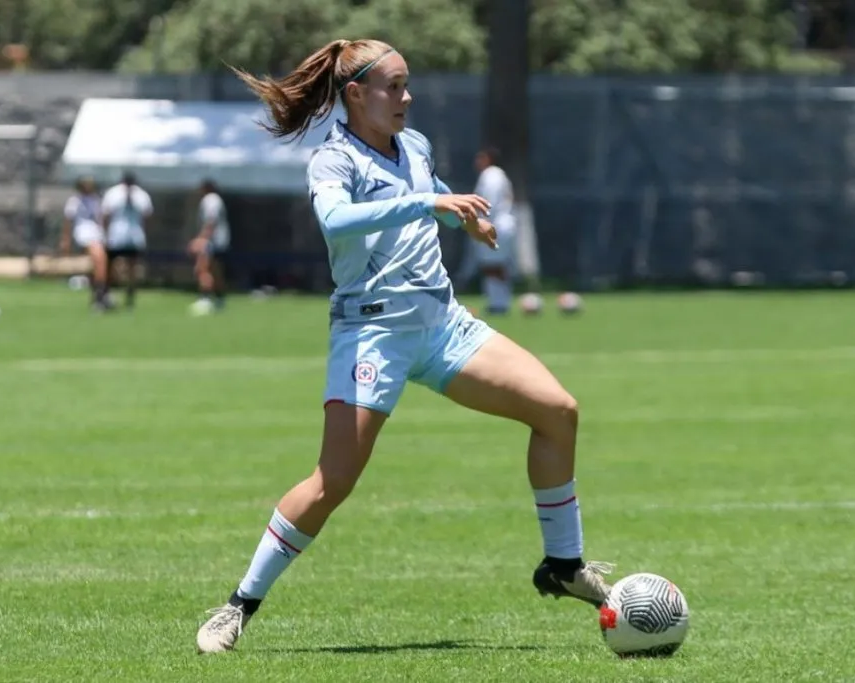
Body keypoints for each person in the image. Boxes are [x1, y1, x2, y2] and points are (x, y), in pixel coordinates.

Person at [195, 39, 613, 654]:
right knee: (332, 481)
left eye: (407, 83)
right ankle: (237, 607)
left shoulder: (414, 146)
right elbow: (338, 221)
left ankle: (563, 564)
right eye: (393, 86)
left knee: (558, 411)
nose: (406, 97)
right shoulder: (333, 162)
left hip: (443, 326)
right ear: (356, 95)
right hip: (372, 333)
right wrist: (430, 203)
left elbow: (433, 192)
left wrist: (463, 217)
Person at [469, 146, 517, 314]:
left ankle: (499, 303)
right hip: (502, 224)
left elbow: (490, 202)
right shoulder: (497, 174)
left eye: (481, 157)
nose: (477, 161)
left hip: (496, 224)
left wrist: (481, 222)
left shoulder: (491, 175)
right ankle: (499, 301)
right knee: (495, 265)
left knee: (493, 266)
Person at [101, 172, 153, 310]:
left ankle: (130, 297)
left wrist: (144, 233)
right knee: (109, 266)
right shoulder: (113, 193)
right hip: (116, 235)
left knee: (132, 268)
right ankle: (105, 294)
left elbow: (147, 216)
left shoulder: (141, 195)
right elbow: (106, 215)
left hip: (134, 236)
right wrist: (105, 234)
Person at [60, 177, 111, 311]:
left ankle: (101, 294)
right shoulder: (74, 202)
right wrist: (66, 241)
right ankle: (100, 296)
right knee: (99, 260)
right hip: (84, 233)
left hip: (97, 234)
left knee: (101, 265)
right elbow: (68, 222)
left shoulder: (96, 200)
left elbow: (101, 218)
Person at [187, 178, 230, 314]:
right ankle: (220, 299)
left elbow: (211, 221)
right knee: (216, 271)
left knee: (202, 268)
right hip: (220, 240)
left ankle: (205, 299)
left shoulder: (210, 200)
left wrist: (201, 239)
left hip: (213, 240)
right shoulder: (217, 199)